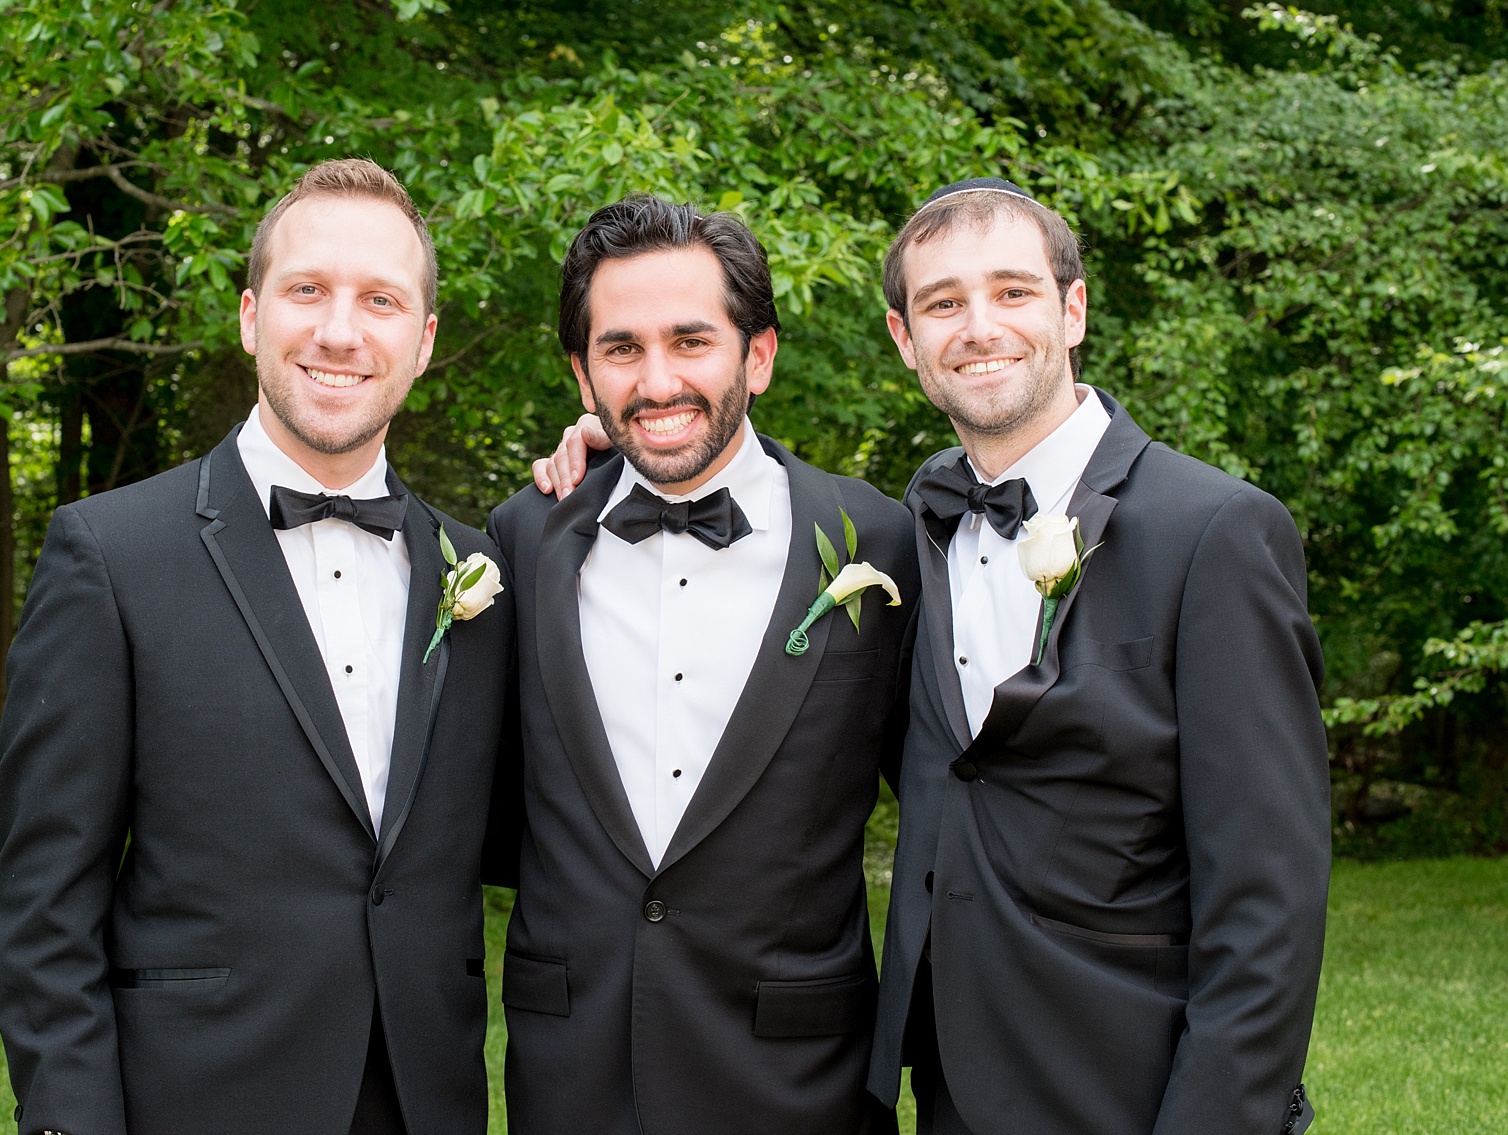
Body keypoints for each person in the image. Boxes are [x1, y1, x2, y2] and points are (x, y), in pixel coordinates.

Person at [534, 178, 1331, 1135]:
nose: (979, 326)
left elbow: (1269, 903)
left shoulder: (1216, 532)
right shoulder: (910, 533)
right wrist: (611, 447)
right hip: (949, 1078)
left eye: (1013, 292)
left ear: (1073, 309)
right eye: (944, 303)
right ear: (906, 339)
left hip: (1131, 1076)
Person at [0, 159, 513, 1135]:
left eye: (381, 300)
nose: (340, 330)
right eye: (306, 290)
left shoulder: (479, 571)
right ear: (248, 315)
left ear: (424, 340)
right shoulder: (109, 555)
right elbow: (43, 899)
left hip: (421, 1102)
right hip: (194, 1101)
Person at [487, 194, 917, 1135]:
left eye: (691, 341)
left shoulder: (878, 540)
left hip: (797, 1073)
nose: (657, 380)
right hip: (573, 1074)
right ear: (582, 371)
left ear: (756, 356)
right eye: (622, 348)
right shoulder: (524, 537)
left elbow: (943, 793)